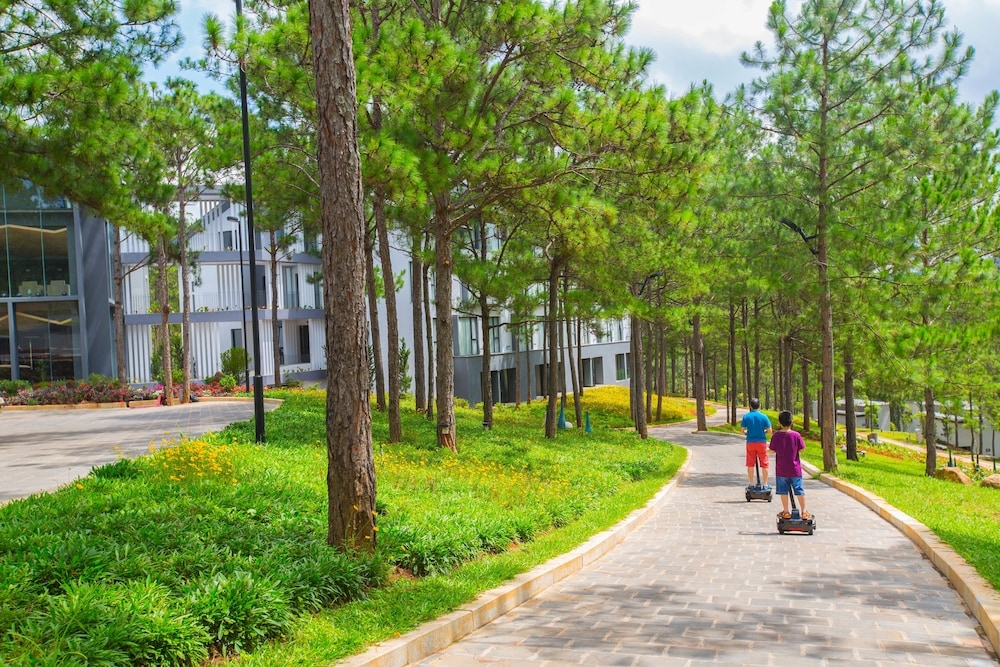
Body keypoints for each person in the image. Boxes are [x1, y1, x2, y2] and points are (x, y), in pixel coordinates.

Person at [769, 410, 810, 520]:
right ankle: (804, 511)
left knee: (783, 491)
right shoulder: (796, 435)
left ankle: (786, 511)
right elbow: (802, 449)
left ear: (780, 423)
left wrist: (765, 452)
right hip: (795, 469)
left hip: (781, 469)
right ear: (792, 422)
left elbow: (772, 450)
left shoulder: (776, 435)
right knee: (799, 490)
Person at [740, 397, 771, 489]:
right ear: (759, 406)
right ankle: (765, 484)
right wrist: (764, 432)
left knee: (750, 463)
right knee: (764, 463)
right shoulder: (764, 417)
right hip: (761, 442)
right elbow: (769, 430)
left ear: (750, 406)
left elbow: (742, 430)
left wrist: (747, 432)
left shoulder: (746, 416)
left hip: (750, 442)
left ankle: (751, 484)